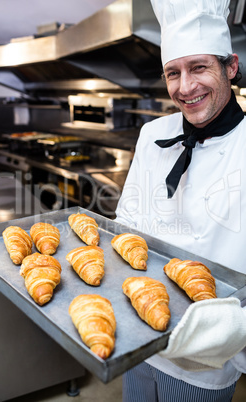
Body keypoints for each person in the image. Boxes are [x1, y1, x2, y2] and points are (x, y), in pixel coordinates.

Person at [114, 0, 246, 400]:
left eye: (200, 67)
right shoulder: (153, 134)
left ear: (231, 67)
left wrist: (229, 338)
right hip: (137, 339)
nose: (185, 87)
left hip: (203, 364)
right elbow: (124, 229)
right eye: (174, 72)